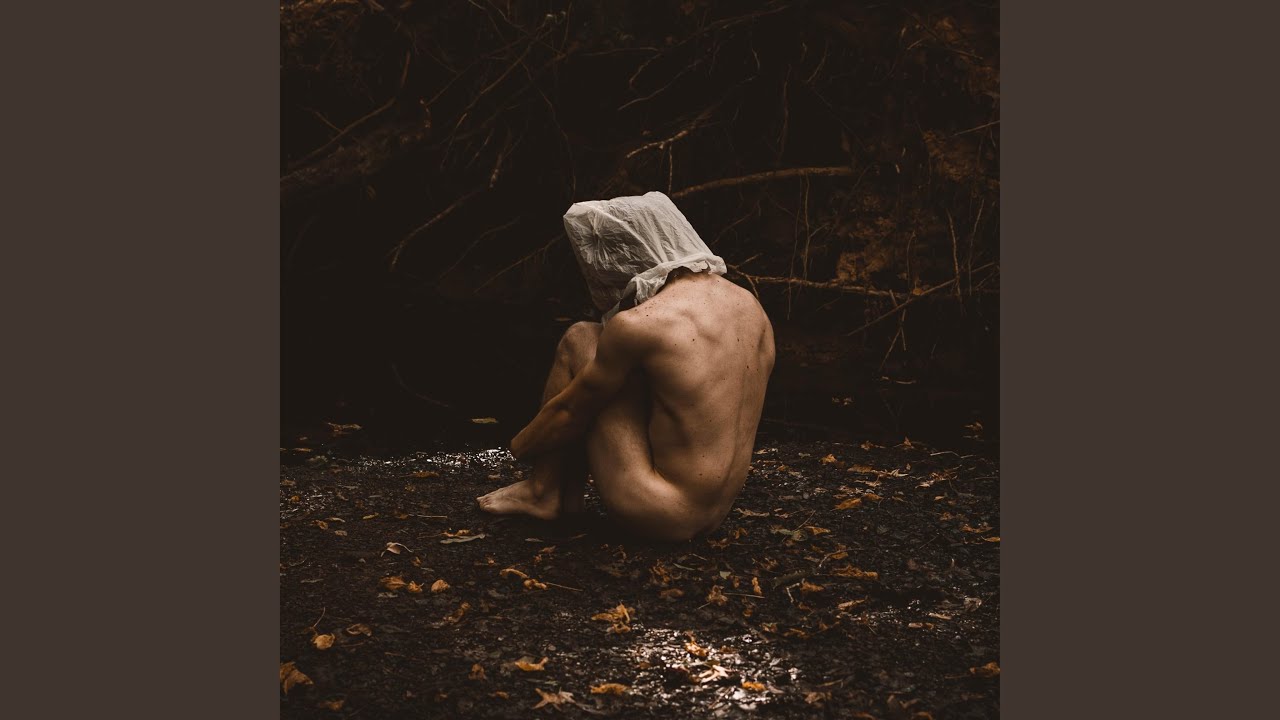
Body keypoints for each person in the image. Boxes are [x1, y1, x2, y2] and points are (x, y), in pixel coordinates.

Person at [477, 192, 775, 541]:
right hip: (715, 513)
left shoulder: (642, 324)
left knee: (581, 337)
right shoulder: (750, 307)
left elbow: (570, 412)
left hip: (656, 511)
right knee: (637, 372)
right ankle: (561, 495)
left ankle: (542, 491)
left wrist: (516, 447)